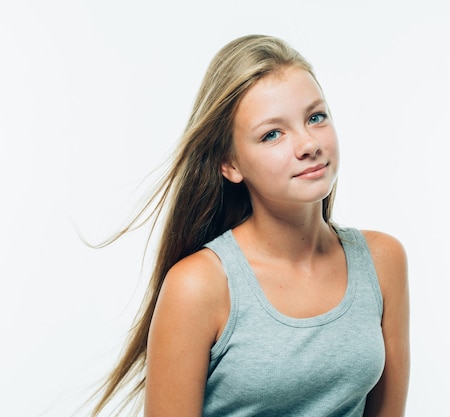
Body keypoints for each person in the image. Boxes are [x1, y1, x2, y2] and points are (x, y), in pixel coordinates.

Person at [88, 34, 410, 417]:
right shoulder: (199, 286)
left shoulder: (382, 261)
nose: (307, 143)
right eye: (272, 134)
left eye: (315, 117)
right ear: (230, 164)